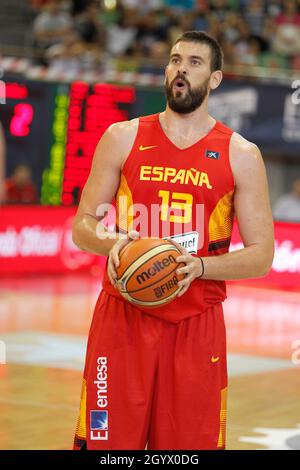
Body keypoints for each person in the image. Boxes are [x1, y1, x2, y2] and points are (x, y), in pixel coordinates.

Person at [72, 30, 274, 450]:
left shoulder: (241, 154)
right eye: (175, 59)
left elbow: (261, 256)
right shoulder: (122, 136)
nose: (181, 69)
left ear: (215, 79)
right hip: (121, 318)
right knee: (108, 446)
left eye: (194, 62)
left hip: (194, 324)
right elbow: (83, 225)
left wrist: (198, 266)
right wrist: (114, 244)